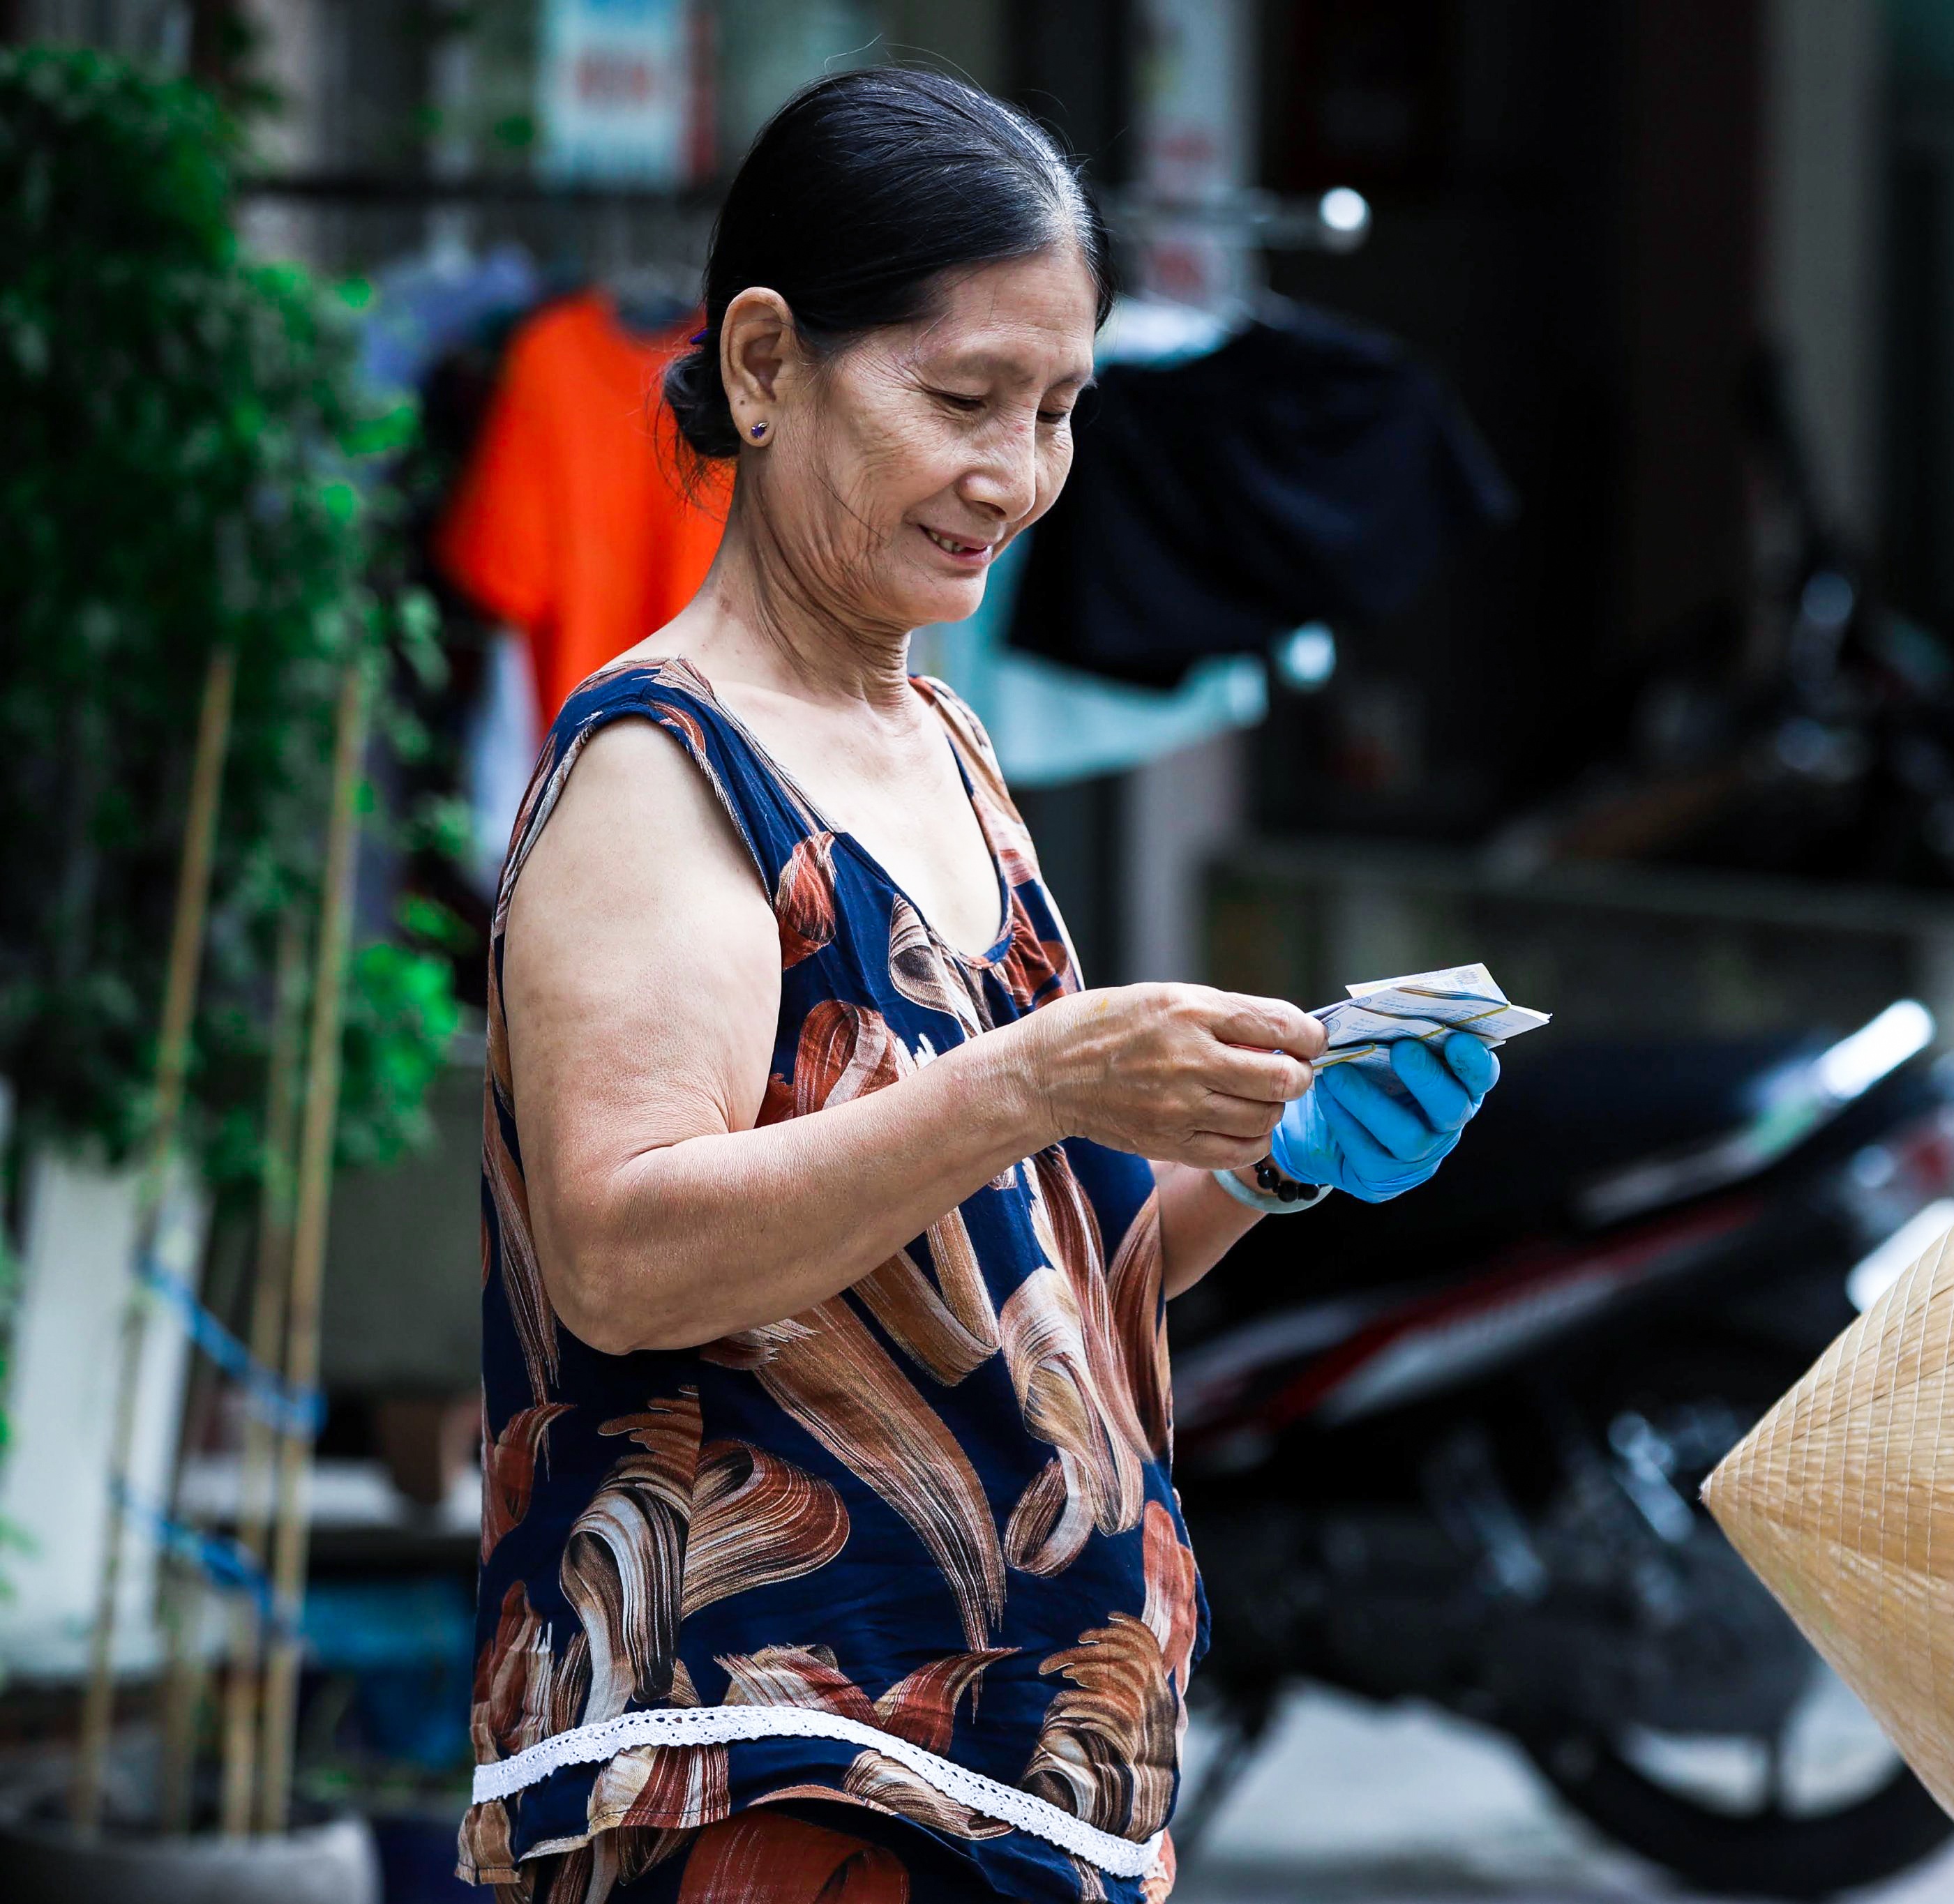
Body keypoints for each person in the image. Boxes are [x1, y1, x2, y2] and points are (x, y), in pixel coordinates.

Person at [457, 70, 1500, 1904]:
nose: (1015, 476)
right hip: (781, 1784)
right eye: (960, 402)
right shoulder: (662, 773)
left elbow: (1020, 1264)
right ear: (766, 365)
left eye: (1058, 410)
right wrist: (1031, 1080)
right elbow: (623, 1252)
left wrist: (1271, 1160)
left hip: (1007, 1772)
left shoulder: (937, 737)